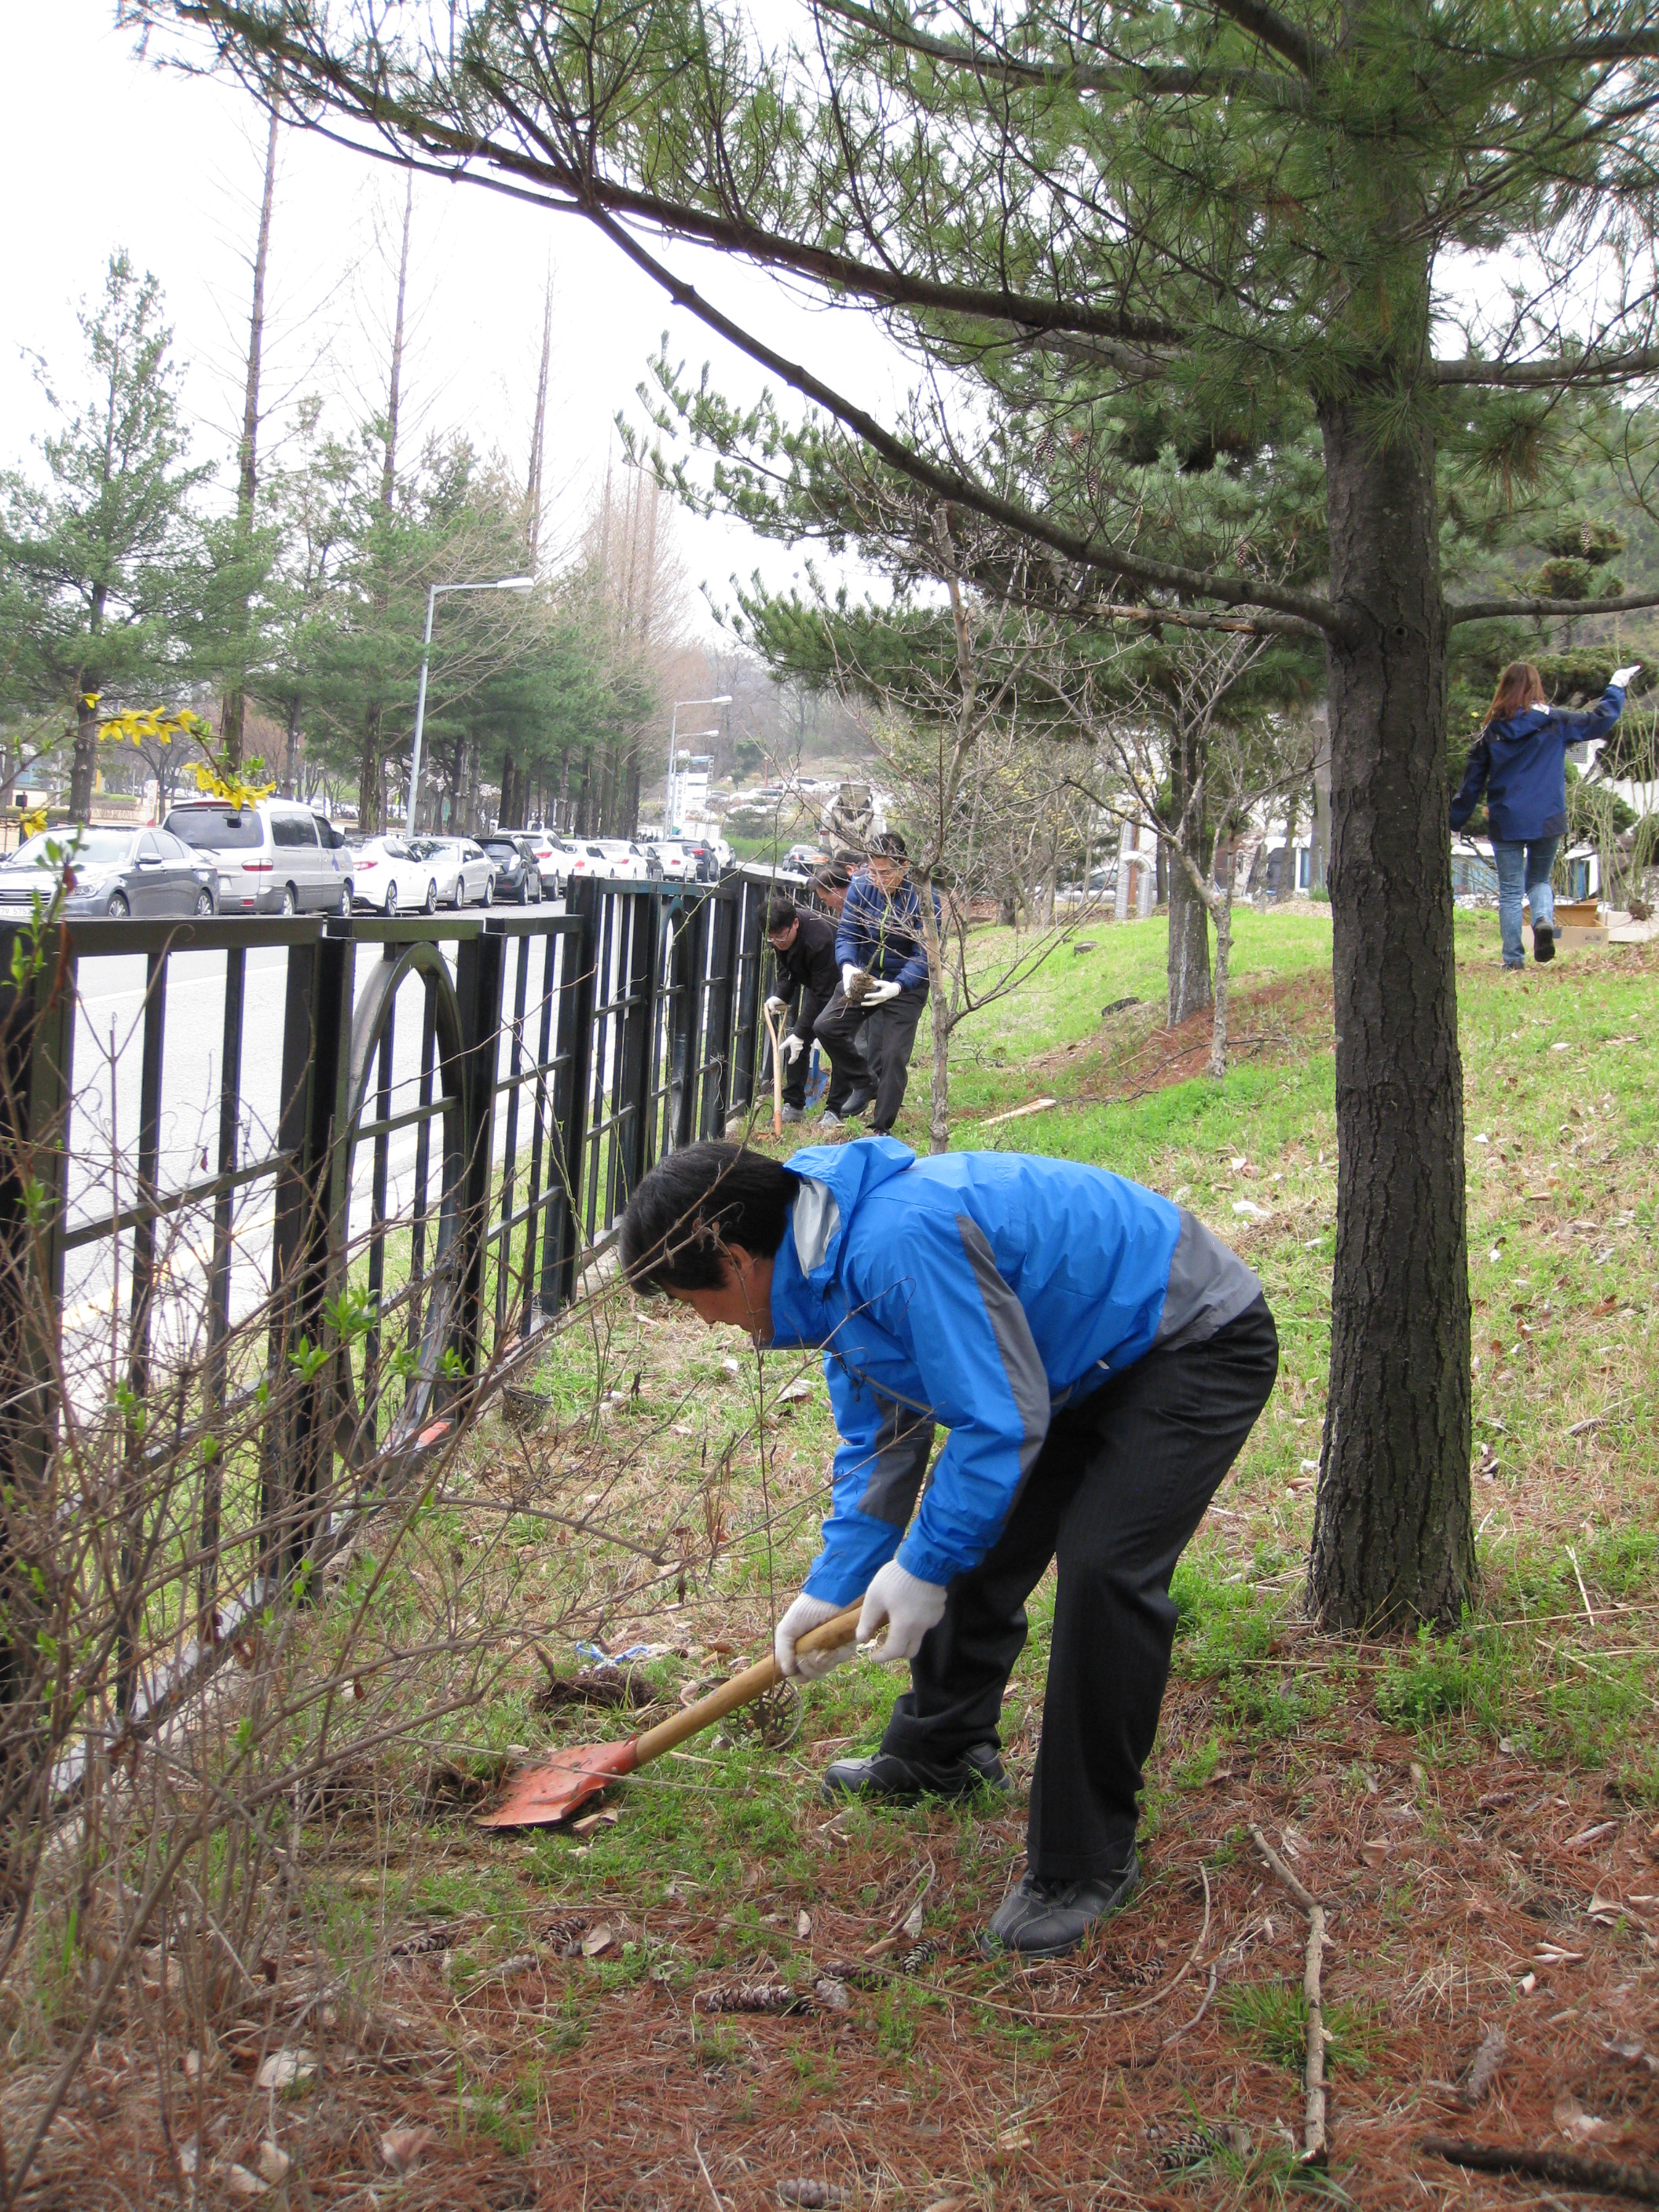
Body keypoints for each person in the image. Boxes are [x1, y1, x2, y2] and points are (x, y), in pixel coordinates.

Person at [619, 1136, 1277, 1959]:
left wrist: (925, 1565)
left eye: (690, 1299)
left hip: (1189, 1339)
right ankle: (943, 1751)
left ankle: (1085, 1864)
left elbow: (997, 1420)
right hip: (1068, 1364)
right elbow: (879, 1439)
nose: (704, 1320)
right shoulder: (827, 1273)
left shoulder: (896, 1240)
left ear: (736, 1256)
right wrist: (835, 1586)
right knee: (968, 1532)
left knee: (1104, 1572)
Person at [1451, 660, 1639, 969]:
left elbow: (1472, 782)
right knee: (1538, 881)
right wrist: (1616, 686)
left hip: (1506, 819)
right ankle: (1542, 921)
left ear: (1504, 689)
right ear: (1537, 687)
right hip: (1548, 818)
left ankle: (1513, 960)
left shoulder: (1492, 732)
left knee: (1511, 892)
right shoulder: (1556, 722)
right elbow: (1599, 721)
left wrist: (1455, 821)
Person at [819, 831, 941, 1137]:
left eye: (883, 872)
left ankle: (881, 1127)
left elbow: (926, 954)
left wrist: (899, 986)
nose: (876, 878)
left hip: (905, 985)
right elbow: (846, 935)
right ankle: (864, 1081)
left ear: (903, 866)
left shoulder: (924, 900)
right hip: (867, 976)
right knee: (826, 1027)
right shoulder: (861, 888)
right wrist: (847, 967)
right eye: (871, 870)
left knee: (893, 1056)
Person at [764, 895, 869, 1124]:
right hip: (818, 983)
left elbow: (823, 992)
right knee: (796, 1041)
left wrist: (802, 1032)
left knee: (836, 1038)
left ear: (795, 925)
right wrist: (781, 995)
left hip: (845, 984)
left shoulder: (819, 938)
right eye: (771, 938)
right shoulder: (778, 936)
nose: (777, 942)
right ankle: (794, 1104)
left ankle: (836, 1109)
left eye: (781, 937)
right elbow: (787, 966)